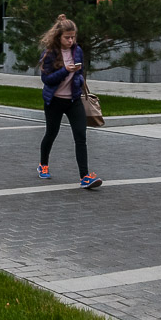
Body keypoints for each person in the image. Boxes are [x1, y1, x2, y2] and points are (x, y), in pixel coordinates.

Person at [37, 14, 102, 190]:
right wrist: (65, 71)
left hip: (73, 100)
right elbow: (47, 80)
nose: (71, 40)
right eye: (67, 37)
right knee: (51, 133)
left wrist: (79, 79)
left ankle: (85, 177)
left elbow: (80, 73)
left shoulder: (77, 50)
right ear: (58, 37)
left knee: (81, 136)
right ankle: (43, 164)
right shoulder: (50, 54)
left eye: (73, 37)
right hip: (54, 101)